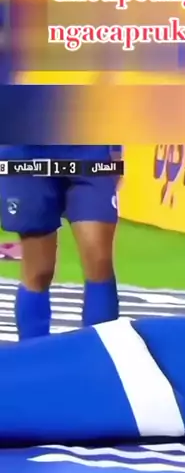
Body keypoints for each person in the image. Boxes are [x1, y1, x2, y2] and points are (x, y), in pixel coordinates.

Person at [0, 145, 121, 340]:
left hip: (89, 149)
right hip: (25, 153)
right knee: (38, 271)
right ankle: (36, 353)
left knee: (99, 261)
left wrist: (115, 149)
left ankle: (101, 351)